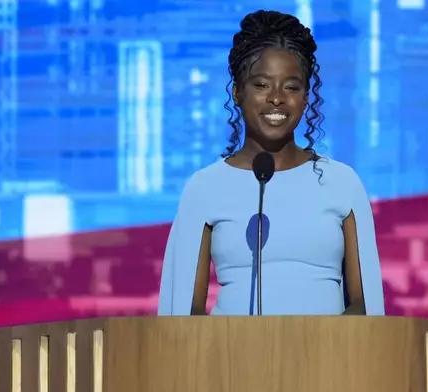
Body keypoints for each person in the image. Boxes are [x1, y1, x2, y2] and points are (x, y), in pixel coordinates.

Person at [157, 10, 385, 316]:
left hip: (327, 359)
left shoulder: (342, 183)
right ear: (237, 92)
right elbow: (182, 311)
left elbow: (365, 303)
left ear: (306, 98)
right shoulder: (205, 187)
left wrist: (325, 350)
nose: (277, 98)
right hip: (228, 360)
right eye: (262, 85)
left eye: (291, 87)